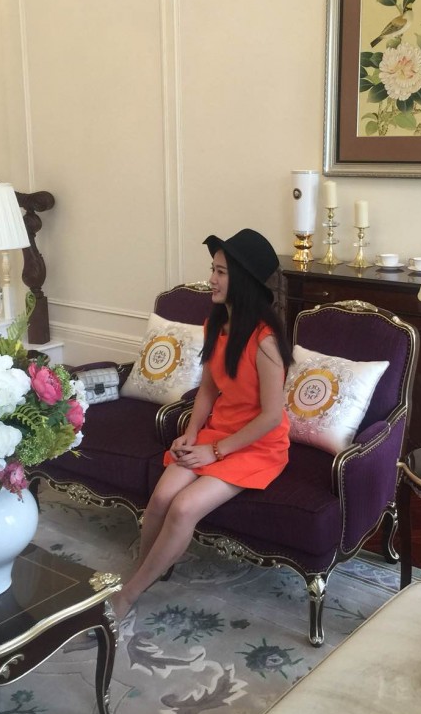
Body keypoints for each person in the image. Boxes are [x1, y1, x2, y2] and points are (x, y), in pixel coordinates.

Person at [109, 228, 293, 623]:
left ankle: (130, 593)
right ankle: (147, 571)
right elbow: (208, 389)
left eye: (221, 272)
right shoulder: (217, 325)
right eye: (213, 269)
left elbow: (271, 416)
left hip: (256, 446)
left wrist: (215, 450)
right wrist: (191, 433)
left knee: (183, 507)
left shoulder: (265, 341)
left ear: (243, 281)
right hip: (216, 434)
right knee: (161, 498)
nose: (211, 279)